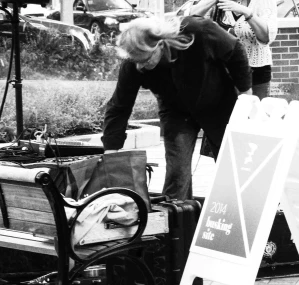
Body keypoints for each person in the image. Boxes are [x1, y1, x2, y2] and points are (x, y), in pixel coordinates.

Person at [101, 15, 252, 200]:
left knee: (230, 166)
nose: (140, 67)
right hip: (176, 111)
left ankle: (239, 212)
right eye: (136, 61)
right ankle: (178, 219)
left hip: (218, 104)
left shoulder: (197, 30)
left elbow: (235, 50)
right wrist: (111, 149)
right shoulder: (134, 64)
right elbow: (120, 105)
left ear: (160, 45)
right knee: (177, 171)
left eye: (145, 59)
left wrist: (246, 95)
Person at [190, 0, 277, 99]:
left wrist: (246, 12)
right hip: (224, 71)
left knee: (254, 118)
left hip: (256, 72)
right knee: (228, 119)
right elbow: (190, 17)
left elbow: (266, 37)